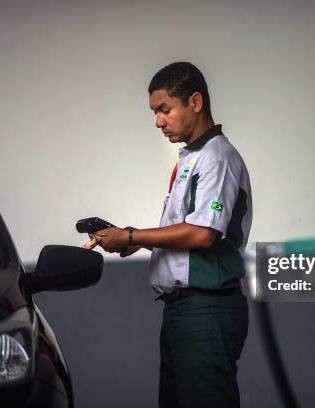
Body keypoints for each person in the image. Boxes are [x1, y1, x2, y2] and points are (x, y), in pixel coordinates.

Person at [93, 61, 252, 408]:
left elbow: (201, 234)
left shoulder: (217, 158)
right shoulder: (191, 159)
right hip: (183, 311)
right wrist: (127, 240)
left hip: (206, 311)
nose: (158, 122)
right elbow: (185, 235)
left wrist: (133, 236)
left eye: (165, 110)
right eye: (155, 112)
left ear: (195, 102)